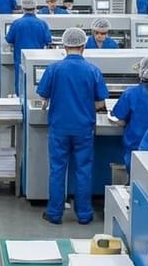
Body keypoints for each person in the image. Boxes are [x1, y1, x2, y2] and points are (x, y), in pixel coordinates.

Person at [36, 27, 108, 225]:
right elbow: (100, 103)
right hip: (83, 128)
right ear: (84, 46)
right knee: (83, 170)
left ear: (64, 46)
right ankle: (84, 215)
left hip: (59, 127)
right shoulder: (93, 70)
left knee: (58, 169)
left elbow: (43, 95)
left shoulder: (54, 69)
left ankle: (54, 213)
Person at [5, 0, 52, 96]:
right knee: (36, 86)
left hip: (20, 60)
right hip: (38, 61)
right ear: (35, 8)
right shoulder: (42, 24)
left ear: (22, 8)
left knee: (21, 85)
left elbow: (9, 39)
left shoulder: (17, 23)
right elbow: (48, 40)